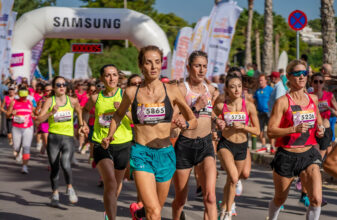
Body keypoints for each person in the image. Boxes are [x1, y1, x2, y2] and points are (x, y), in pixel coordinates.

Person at [101, 45, 197, 220]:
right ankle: (143, 212)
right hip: (141, 154)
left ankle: (138, 213)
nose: (153, 67)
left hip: (166, 154)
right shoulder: (132, 92)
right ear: (141, 66)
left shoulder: (172, 91)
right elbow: (118, 115)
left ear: (161, 65)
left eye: (157, 62)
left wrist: (186, 123)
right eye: (148, 62)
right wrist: (109, 134)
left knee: (155, 210)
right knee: (154, 211)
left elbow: (193, 118)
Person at [267, 60, 324, 220]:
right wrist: (293, 129)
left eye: (304, 73)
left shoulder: (313, 99)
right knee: (280, 199)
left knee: (316, 199)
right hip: (286, 155)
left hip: (309, 154)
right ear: (289, 77)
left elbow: (319, 123)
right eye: (297, 74)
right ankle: (272, 217)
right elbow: (270, 132)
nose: (301, 77)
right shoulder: (283, 102)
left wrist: (321, 130)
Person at [82, 64, 133, 220]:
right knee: (110, 182)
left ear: (118, 77)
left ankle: (109, 210)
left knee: (116, 185)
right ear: (102, 78)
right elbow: (85, 110)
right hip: (101, 143)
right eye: (108, 75)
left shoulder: (126, 95)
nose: (112, 78)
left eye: (114, 75)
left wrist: (123, 111)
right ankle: (111, 217)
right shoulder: (95, 98)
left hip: (123, 143)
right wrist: (84, 124)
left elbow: (136, 119)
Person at [172, 51, 218, 220]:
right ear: (188, 67)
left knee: (210, 197)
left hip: (205, 145)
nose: (201, 70)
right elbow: (173, 120)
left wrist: (217, 120)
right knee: (180, 200)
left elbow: (209, 113)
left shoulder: (210, 89)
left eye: (204, 66)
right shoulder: (180, 90)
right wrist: (195, 108)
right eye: (197, 66)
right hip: (185, 146)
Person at [213, 74, 260, 219]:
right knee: (233, 177)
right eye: (232, 87)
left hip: (242, 146)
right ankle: (227, 213)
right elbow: (210, 116)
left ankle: (224, 208)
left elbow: (257, 131)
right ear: (227, 89)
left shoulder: (249, 106)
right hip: (226, 144)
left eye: (239, 86)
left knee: (231, 181)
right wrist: (216, 125)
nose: (236, 89)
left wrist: (244, 127)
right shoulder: (221, 106)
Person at [35, 76, 85, 207]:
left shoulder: (73, 101)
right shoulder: (49, 101)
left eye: (64, 84)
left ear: (67, 86)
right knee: (54, 167)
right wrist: (51, 113)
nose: (62, 86)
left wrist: (81, 126)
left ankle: (70, 188)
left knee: (65, 164)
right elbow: (38, 120)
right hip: (53, 138)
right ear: (54, 87)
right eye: (58, 85)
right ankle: (55, 193)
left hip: (67, 138)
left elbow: (80, 111)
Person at [6, 84, 35, 173]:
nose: (24, 97)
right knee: (16, 147)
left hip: (28, 127)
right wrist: (12, 113)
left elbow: (33, 114)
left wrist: (36, 114)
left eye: (25, 95)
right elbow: (8, 115)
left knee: (26, 147)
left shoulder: (29, 102)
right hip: (17, 127)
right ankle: (18, 152)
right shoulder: (14, 102)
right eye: (22, 95)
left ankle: (24, 166)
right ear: (19, 94)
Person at [268, 72, 287, 154]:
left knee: (274, 130)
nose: (270, 79)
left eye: (271, 77)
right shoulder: (276, 86)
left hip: (277, 113)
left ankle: (276, 148)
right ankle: (274, 147)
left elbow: (278, 101)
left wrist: (274, 114)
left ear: (274, 78)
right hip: (274, 112)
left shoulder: (279, 87)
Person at [254, 74, 273, 153]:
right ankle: (263, 146)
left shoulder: (270, 89)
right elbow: (254, 102)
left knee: (271, 130)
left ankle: (272, 147)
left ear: (266, 80)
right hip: (260, 112)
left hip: (268, 112)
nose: (260, 82)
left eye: (262, 80)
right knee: (260, 130)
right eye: (259, 80)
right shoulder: (257, 91)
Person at [35, 84, 52, 154]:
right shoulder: (41, 100)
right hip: (44, 121)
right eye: (47, 91)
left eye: (51, 90)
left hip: (54, 121)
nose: (49, 92)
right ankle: (50, 159)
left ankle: (44, 145)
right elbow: (36, 111)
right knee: (47, 140)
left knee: (52, 140)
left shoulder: (56, 99)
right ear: (44, 91)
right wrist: (39, 110)